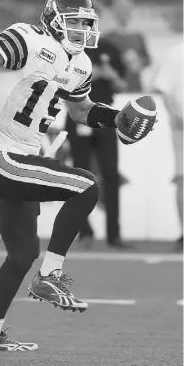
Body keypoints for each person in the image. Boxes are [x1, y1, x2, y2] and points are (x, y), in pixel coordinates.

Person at [0, 0, 154, 351]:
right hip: (2, 155)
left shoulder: (81, 63)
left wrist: (116, 118)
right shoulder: (29, 39)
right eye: (76, 22)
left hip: (19, 157)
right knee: (87, 186)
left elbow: (82, 111)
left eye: (88, 23)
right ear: (54, 20)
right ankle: (50, 274)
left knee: (22, 254)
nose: (84, 29)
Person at [65, 30, 131, 249]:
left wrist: (111, 75)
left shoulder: (110, 49)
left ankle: (114, 234)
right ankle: (84, 232)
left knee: (111, 174)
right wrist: (93, 76)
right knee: (80, 177)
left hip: (105, 117)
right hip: (78, 116)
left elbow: (123, 85)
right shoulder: (71, 49)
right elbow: (62, 83)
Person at [153, 39, 183, 251]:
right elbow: (163, 87)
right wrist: (174, 114)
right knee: (182, 178)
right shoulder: (178, 51)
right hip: (182, 126)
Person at [104, 0, 150, 92]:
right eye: (120, 10)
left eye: (126, 9)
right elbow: (102, 64)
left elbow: (147, 60)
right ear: (114, 12)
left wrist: (138, 62)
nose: (123, 13)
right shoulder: (106, 38)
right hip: (113, 90)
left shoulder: (138, 37)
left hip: (135, 87)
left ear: (131, 11)